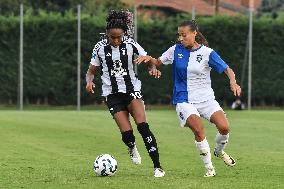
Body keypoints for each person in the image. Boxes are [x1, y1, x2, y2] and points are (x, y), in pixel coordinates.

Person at [135, 20, 241, 177]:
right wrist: (149, 59)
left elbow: (227, 69)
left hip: (206, 99)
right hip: (184, 99)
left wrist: (233, 82)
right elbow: (158, 62)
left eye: (184, 35)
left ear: (194, 33)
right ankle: (209, 168)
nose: (181, 38)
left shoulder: (207, 53)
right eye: (179, 35)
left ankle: (219, 151)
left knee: (224, 128)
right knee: (198, 129)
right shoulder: (175, 50)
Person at [85, 10, 165, 177]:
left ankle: (157, 166)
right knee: (127, 134)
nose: (116, 40)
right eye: (112, 37)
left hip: (132, 90)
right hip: (111, 94)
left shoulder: (130, 43)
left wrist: (152, 67)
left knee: (143, 127)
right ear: (107, 33)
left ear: (124, 34)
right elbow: (91, 70)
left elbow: (148, 60)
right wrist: (89, 81)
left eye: (118, 37)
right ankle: (131, 146)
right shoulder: (99, 48)